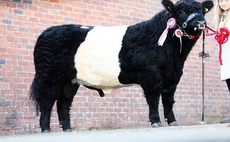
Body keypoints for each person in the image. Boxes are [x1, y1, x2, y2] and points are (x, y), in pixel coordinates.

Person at [213, 0, 230, 123]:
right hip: (225, 55)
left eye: (226, 0)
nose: (223, 3)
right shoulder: (221, 17)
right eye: (220, 1)